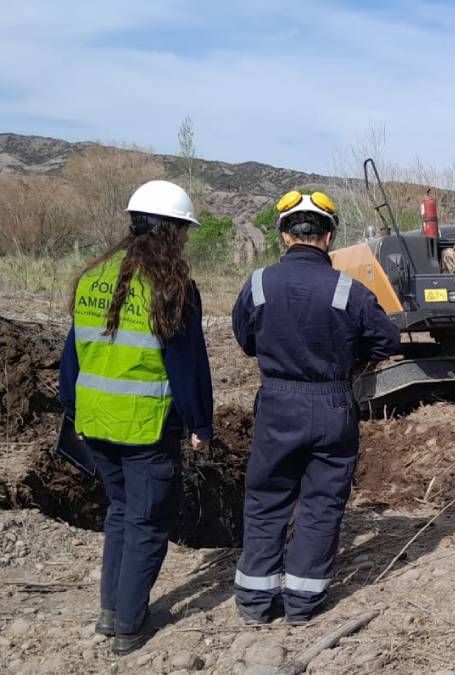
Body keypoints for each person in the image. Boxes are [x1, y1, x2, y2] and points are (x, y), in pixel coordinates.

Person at [231, 190, 402, 624]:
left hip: (277, 404)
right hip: (332, 404)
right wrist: (352, 357)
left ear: (285, 236)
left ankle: (255, 603)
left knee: (267, 499)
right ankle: (303, 603)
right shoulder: (349, 289)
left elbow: (245, 338)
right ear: (328, 237)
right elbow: (388, 340)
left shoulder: (258, 284)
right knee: (322, 503)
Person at [58, 179, 213, 655]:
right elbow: (188, 367)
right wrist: (200, 426)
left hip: (95, 422)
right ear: (170, 231)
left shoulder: (92, 277)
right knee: (147, 523)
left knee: (121, 513)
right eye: (183, 230)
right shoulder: (172, 288)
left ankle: (110, 613)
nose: (185, 239)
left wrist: (74, 410)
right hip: (146, 428)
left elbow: (72, 356)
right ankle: (129, 625)